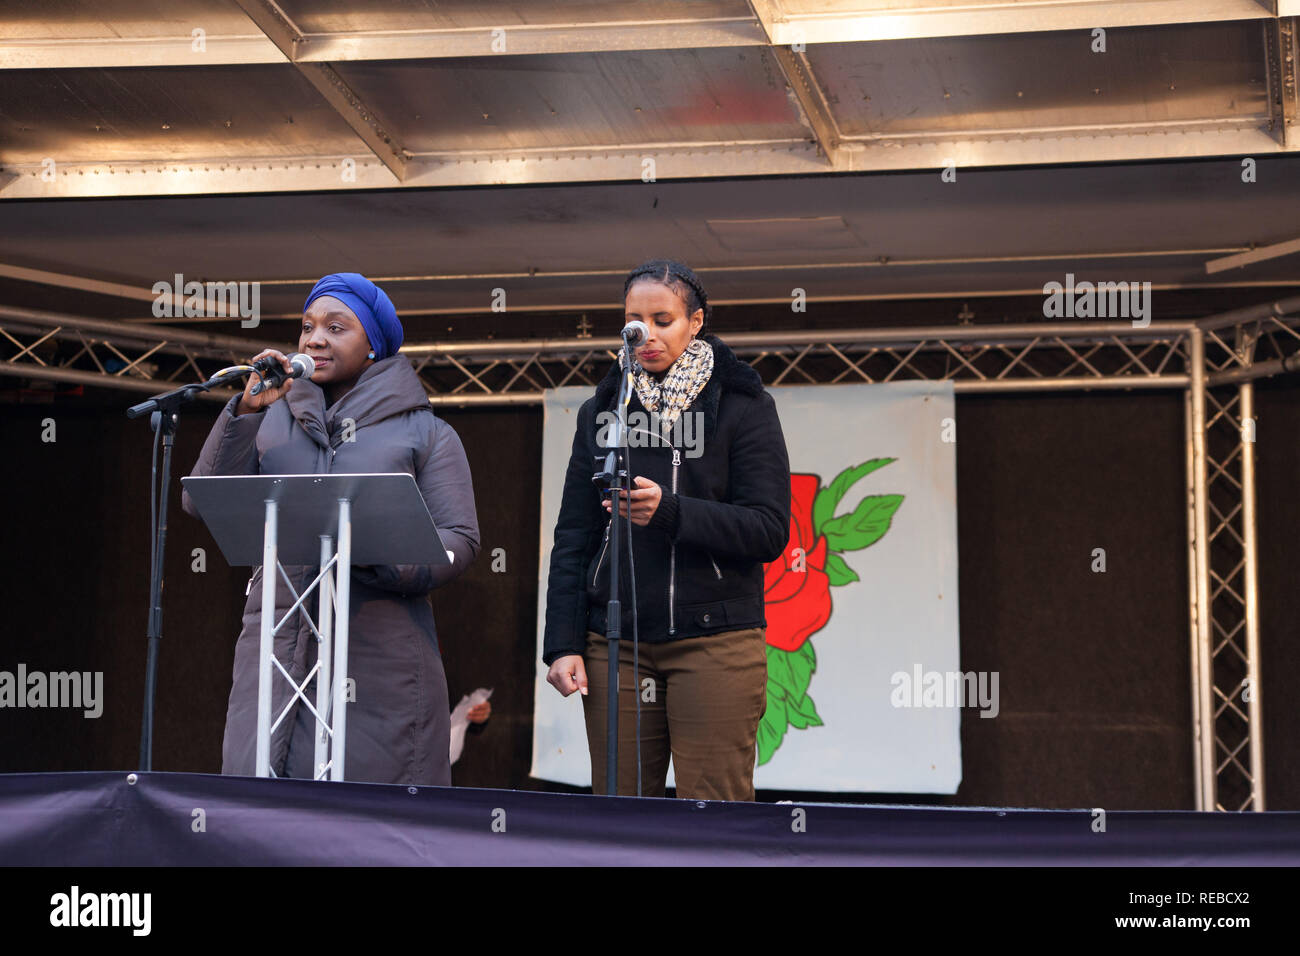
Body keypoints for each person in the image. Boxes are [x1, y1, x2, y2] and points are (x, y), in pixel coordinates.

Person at [181, 272, 479, 786]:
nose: (314, 338)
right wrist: (245, 412)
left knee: (367, 822)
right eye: (307, 327)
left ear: (373, 346)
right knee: (262, 818)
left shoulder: (426, 432)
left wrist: (379, 552)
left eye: (336, 327)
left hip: (378, 657)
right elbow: (202, 498)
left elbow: (460, 540)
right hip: (274, 647)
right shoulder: (271, 418)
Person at [542, 259, 791, 801]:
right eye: (635, 320)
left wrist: (673, 511)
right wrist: (562, 642)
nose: (647, 334)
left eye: (663, 319)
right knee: (621, 818)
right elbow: (574, 536)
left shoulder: (743, 406)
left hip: (716, 638)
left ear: (696, 322)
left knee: (714, 817)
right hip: (617, 643)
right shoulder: (604, 410)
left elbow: (770, 530)